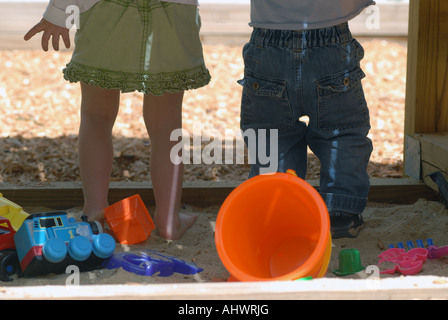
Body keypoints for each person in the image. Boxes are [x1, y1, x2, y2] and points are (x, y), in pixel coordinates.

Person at [24, 0, 211, 240]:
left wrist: (58, 14)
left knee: (96, 117)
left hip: (106, 11)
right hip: (172, 14)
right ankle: (168, 219)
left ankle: (95, 210)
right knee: (166, 125)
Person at [239, 0, 375, 239]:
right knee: (341, 133)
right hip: (331, 39)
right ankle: (340, 211)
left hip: (268, 41)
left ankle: (278, 207)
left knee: (272, 135)